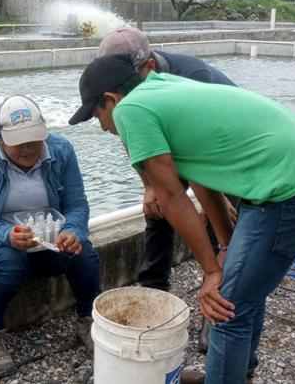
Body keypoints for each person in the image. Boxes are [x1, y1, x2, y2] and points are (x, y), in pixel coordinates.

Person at [69, 54, 295, 384]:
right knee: (241, 291)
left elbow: (171, 197)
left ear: (110, 99)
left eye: (97, 115)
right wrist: (223, 248)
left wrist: (212, 272)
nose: (102, 127)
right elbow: (201, 178)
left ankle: (227, 374)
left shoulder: (131, 110)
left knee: (223, 305)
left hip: (291, 188)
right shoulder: (161, 86)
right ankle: (237, 372)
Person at [96, 27, 237, 351]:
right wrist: (150, 188)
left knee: (223, 230)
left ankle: (214, 315)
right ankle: (153, 294)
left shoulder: (194, 77)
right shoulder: (125, 92)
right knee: (158, 211)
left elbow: (204, 161)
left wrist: (218, 199)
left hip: (221, 154)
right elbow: (131, 136)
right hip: (172, 143)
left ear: (148, 68)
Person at [0, 95, 101, 379]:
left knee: (83, 252)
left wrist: (72, 231)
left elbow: (77, 205)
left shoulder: (61, 151)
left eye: (35, 138)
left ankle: (90, 322)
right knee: (8, 258)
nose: (28, 147)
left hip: (46, 239)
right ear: (0, 137)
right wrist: (6, 234)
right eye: (18, 141)